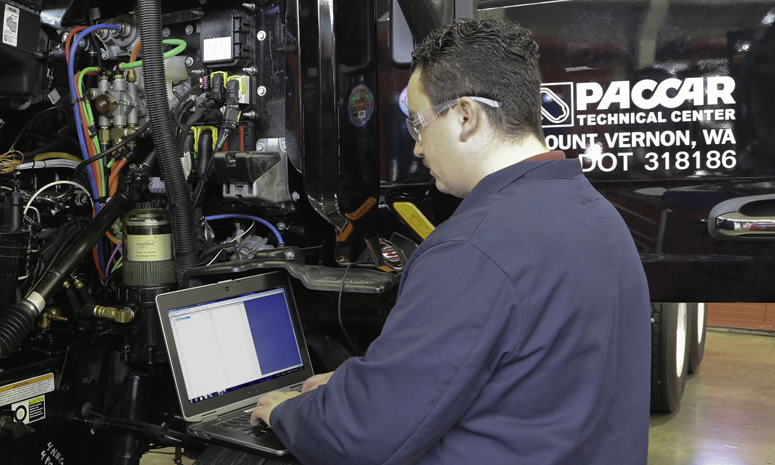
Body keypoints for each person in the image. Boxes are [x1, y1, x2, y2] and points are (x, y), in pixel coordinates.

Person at [248, 18, 650, 465]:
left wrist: (291, 412)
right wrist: (353, 388)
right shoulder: (596, 212)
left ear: (465, 115)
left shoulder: (472, 247)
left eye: (417, 123)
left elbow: (366, 435)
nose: (417, 148)